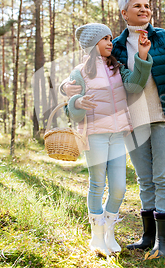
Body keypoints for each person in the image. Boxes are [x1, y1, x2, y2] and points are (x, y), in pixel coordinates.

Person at [63, 0, 165, 259]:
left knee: (163, 176)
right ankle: (148, 237)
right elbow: (92, 73)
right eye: (137, 6)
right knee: (145, 179)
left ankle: (163, 243)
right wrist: (69, 87)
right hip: (130, 121)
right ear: (124, 13)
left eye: (147, 6)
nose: (144, 10)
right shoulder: (115, 45)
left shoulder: (164, 37)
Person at [65, 23, 153, 257]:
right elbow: (69, 108)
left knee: (118, 188)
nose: (109, 42)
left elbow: (134, 85)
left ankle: (108, 232)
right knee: (97, 184)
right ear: (92, 44)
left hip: (118, 135)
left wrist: (143, 56)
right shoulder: (79, 72)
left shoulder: (117, 68)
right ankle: (96, 237)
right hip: (94, 134)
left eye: (110, 38)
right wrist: (77, 103)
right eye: (104, 38)